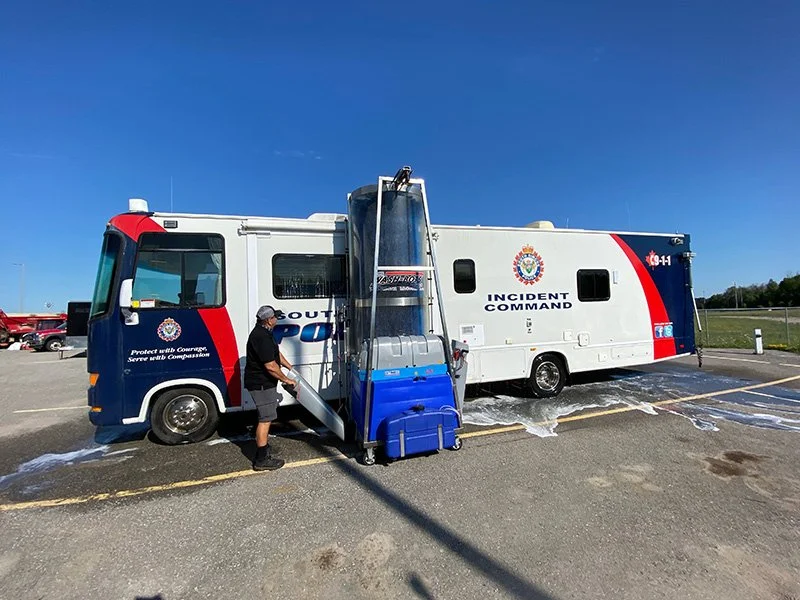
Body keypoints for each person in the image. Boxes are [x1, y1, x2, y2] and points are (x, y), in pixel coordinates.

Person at [244, 305, 296, 471]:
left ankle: (263, 448)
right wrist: (286, 380)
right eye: (275, 317)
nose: (276, 319)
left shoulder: (265, 333)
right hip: (261, 383)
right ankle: (261, 459)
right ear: (268, 319)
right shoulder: (261, 336)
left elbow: (276, 354)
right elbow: (270, 366)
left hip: (263, 383)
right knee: (265, 419)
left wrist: (289, 367)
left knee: (265, 417)